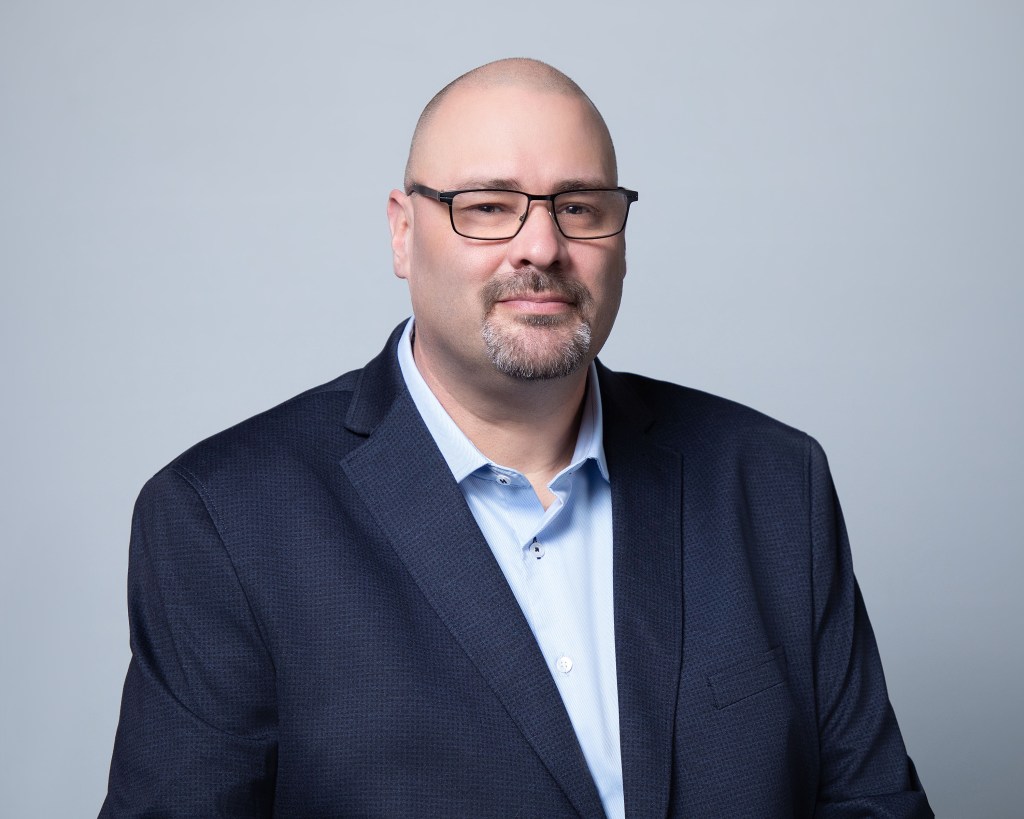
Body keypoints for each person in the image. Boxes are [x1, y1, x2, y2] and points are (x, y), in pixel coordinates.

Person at [101, 58, 932, 818]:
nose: (542, 246)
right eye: (489, 207)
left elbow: (873, 804)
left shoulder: (774, 483)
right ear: (402, 232)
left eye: (580, 207)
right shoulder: (225, 519)